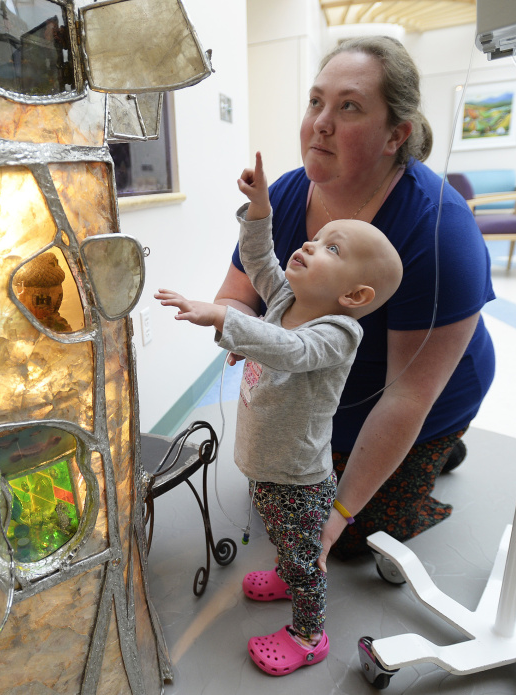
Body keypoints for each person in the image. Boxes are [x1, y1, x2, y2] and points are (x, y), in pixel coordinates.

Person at [213, 36, 496, 570]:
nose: (321, 121)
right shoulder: (289, 195)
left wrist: (340, 512)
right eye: (316, 101)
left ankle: (435, 448)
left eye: (349, 107)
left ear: (397, 134)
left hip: (416, 390)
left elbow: (408, 395)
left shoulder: (439, 232)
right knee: (276, 501)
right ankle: (418, 457)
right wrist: (242, 326)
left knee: (342, 538)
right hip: (315, 387)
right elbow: (237, 292)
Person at [155, 152, 403, 676]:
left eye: (332, 248)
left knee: (303, 554)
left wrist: (224, 316)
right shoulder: (286, 297)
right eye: (318, 237)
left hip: (298, 477)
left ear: (355, 294)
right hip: (267, 464)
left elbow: (287, 350)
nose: (311, 244)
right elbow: (259, 261)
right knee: (280, 536)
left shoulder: (338, 335)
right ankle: (286, 574)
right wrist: (261, 209)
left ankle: (309, 633)